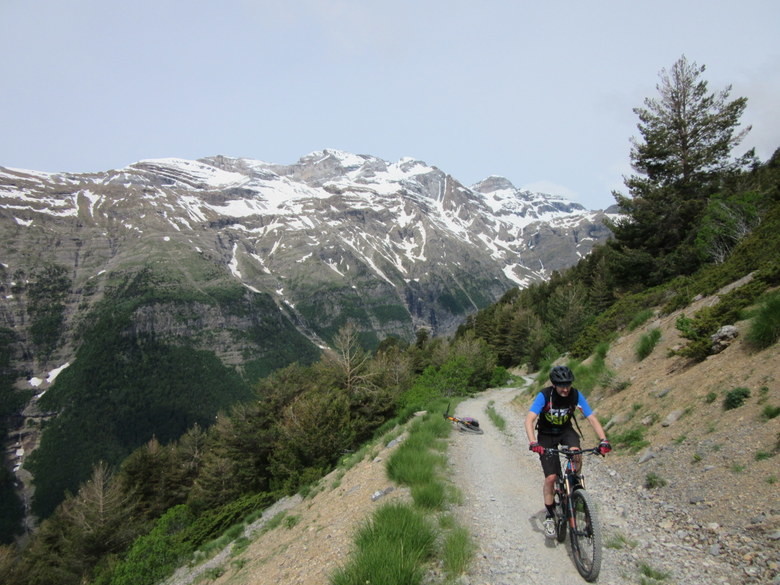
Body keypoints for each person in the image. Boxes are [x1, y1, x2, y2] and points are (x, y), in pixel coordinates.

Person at [524, 365, 611, 537]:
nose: (565, 388)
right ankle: (550, 515)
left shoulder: (575, 395)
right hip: (546, 435)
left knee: (576, 452)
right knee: (551, 477)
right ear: (554, 384)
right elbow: (529, 420)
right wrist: (533, 442)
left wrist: (604, 440)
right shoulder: (545, 395)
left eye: (567, 384)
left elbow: (591, 417)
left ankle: (575, 486)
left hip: (565, 431)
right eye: (561, 385)